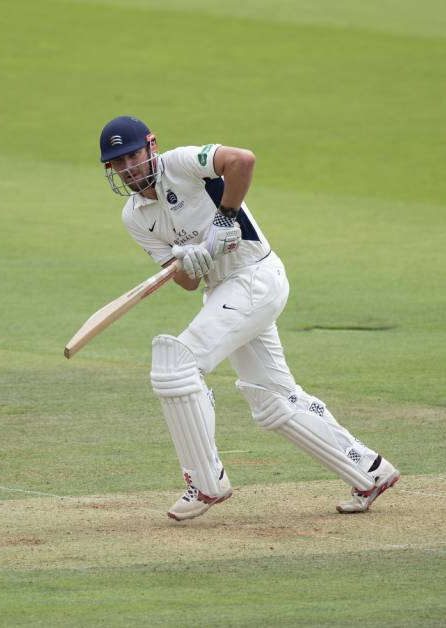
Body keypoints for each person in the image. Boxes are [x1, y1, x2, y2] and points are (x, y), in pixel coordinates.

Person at [98, 115, 399, 521]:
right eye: (118, 162)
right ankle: (369, 471)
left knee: (176, 365)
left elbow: (242, 160)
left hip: (256, 276)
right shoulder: (134, 216)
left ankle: (206, 482)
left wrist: (225, 216)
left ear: (151, 147)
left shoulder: (182, 163)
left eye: (133, 156)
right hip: (222, 291)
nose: (128, 167)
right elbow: (186, 282)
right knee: (272, 399)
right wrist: (188, 258)